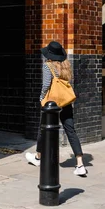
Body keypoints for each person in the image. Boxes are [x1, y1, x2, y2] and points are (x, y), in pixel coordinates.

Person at [25, 41, 87, 177]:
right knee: (70, 130)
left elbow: (46, 84)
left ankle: (38, 157)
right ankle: (80, 164)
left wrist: (41, 98)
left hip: (51, 104)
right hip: (65, 102)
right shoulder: (66, 65)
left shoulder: (48, 66)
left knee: (43, 129)